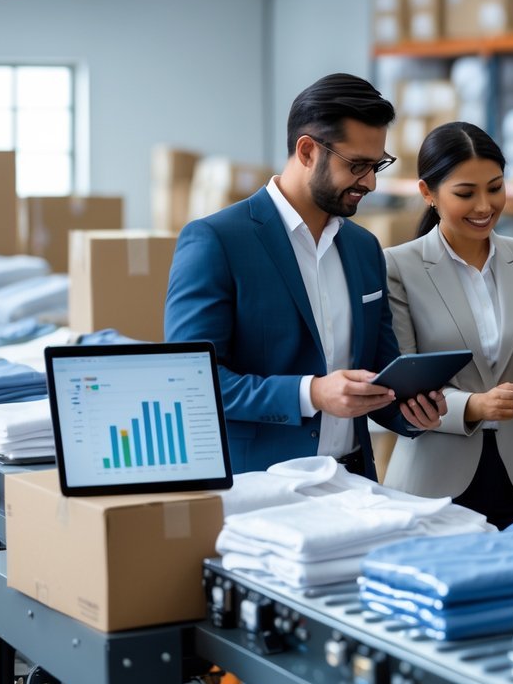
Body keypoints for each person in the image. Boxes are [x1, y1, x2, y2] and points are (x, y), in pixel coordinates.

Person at [165, 73, 445, 475]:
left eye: (377, 164)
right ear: (308, 150)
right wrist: (310, 393)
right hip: (260, 488)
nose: (370, 181)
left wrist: (412, 410)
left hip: (354, 482)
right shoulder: (216, 241)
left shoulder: (364, 249)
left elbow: (381, 372)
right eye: (358, 165)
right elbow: (188, 381)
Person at [383, 122, 513, 528]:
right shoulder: (398, 266)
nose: (484, 206)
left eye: (495, 188)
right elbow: (401, 383)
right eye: (465, 193)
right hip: (432, 484)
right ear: (428, 193)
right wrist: (474, 406)